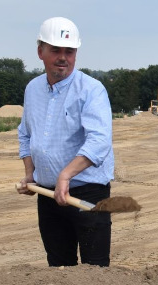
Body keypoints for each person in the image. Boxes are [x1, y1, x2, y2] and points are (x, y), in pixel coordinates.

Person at [16, 17, 115, 267]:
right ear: (41, 51)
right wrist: (30, 174)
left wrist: (66, 175)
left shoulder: (91, 90)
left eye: (69, 51)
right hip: (48, 194)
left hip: (88, 194)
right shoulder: (32, 89)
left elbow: (99, 141)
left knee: (96, 270)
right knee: (59, 269)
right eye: (56, 50)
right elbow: (25, 134)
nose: (63, 57)